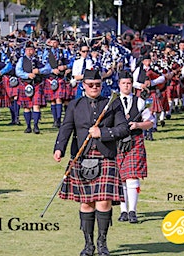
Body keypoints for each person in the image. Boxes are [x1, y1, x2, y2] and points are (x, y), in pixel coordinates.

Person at [53, 69, 129, 256]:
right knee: (86, 203)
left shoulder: (112, 102)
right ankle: (88, 245)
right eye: (90, 85)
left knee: (103, 203)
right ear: (83, 85)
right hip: (82, 157)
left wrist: (102, 133)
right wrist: (59, 148)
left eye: (98, 84)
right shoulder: (75, 104)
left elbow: (123, 128)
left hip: (105, 158)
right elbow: (66, 127)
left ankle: (102, 243)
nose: (94, 88)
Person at [115, 71, 154, 224]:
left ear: (132, 85)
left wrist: (138, 124)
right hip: (117, 142)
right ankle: (123, 211)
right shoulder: (112, 102)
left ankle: (133, 211)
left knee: (132, 176)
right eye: (124, 83)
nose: (126, 86)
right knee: (120, 178)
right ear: (119, 84)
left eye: (129, 83)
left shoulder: (140, 102)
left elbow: (150, 122)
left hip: (135, 140)